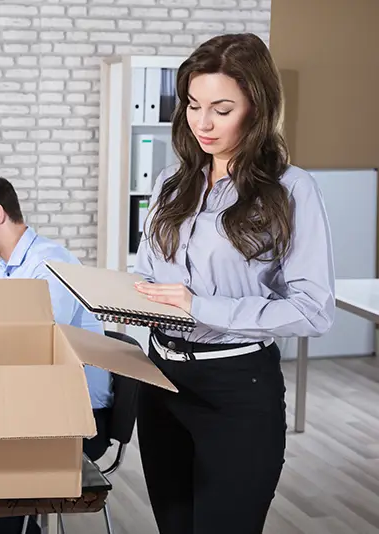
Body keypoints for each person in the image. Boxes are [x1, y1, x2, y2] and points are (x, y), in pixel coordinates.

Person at [131, 33, 335, 534]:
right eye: (194, 105)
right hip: (162, 383)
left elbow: (313, 309)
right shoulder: (170, 184)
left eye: (221, 109)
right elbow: (147, 273)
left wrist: (203, 307)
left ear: (256, 108)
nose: (202, 123)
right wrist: (121, 299)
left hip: (237, 390)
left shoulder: (292, 190)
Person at [0, 172, 114, 534]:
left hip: (78, 418)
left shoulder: (48, 266)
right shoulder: (8, 270)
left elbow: (38, 351)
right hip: (38, 404)